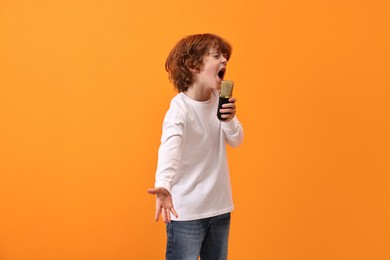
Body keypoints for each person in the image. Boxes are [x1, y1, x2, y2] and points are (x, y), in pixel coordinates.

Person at [147, 33, 244, 260]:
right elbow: (170, 146)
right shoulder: (180, 108)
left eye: (225, 57)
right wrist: (163, 184)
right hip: (187, 212)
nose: (224, 61)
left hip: (219, 207)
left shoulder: (220, 99)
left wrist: (229, 120)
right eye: (216, 56)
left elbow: (236, 140)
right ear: (193, 65)